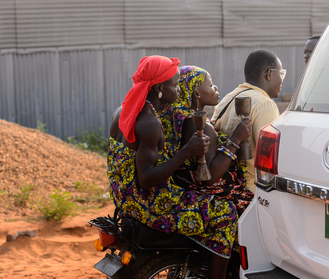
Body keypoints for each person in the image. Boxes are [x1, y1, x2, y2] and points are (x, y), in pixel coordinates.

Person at [107, 55, 237, 279]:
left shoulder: (123, 110)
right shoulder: (149, 122)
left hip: (122, 196)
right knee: (227, 213)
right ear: (158, 88)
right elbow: (146, 179)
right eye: (175, 85)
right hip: (145, 201)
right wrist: (187, 151)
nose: (178, 91)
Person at [160, 66, 254, 216]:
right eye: (210, 85)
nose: (215, 87)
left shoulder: (180, 118)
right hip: (206, 192)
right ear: (196, 93)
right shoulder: (200, 126)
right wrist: (235, 139)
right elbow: (211, 176)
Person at [211, 49, 284, 192]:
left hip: (230, 188)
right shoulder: (264, 104)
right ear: (269, 74)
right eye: (281, 73)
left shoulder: (228, 98)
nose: (282, 79)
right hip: (253, 190)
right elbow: (273, 158)